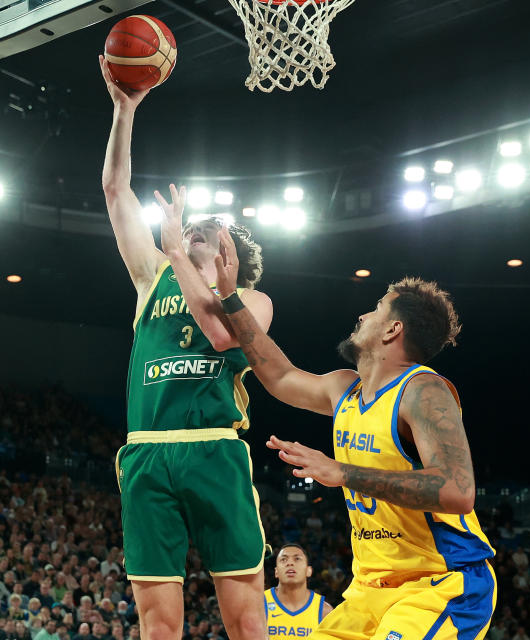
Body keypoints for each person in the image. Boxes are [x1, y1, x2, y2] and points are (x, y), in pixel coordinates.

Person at [157, 214, 497, 640]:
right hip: (368, 593)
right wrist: (230, 295)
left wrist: (343, 473)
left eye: (375, 309)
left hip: (441, 586)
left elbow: (458, 492)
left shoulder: (422, 390)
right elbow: (278, 376)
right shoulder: (344, 390)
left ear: (393, 329)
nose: (362, 314)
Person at [98, 56, 273, 640]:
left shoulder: (255, 298)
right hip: (147, 450)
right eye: (193, 225)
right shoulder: (152, 276)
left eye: (210, 229)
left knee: (246, 620)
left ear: (233, 255)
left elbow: (225, 335)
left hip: (214, 450)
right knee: (158, 625)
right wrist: (125, 110)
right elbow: (115, 189)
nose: (196, 227)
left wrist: (179, 251)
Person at [264, 544, 332, 638]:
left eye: (297, 559)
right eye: (283, 559)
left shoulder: (325, 611)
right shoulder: (259, 604)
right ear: (276, 572)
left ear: (309, 571)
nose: (290, 563)